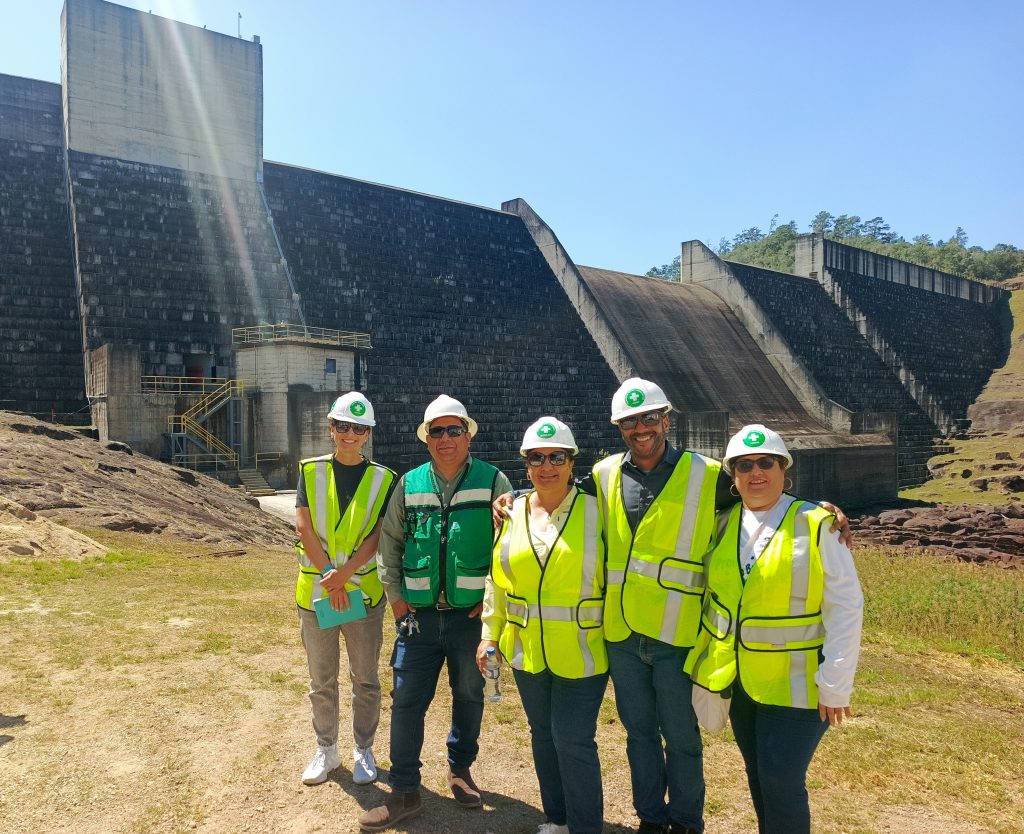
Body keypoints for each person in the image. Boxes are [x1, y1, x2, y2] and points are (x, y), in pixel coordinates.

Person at [685, 424, 863, 834]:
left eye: (766, 462)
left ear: (785, 469)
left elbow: (846, 606)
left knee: (782, 780)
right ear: (732, 475)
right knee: (759, 776)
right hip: (741, 681)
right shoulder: (722, 523)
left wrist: (836, 683)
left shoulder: (817, 524)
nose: (756, 472)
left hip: (799, 685)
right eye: (744, 465)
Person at [358, 395, 513, 832]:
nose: (445, 439)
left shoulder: (494, 482)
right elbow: (390, 543)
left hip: (469, 617)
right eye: (436, 431)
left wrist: (492, 603)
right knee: (407, 701)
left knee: (469, 694)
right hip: (418, 616)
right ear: (427, 439)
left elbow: (509, 548)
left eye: (453, 430)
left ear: (467, 435)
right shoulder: (409, 484)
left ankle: (460, 770)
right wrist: (396, 599)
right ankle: (404, 790)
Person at [593, 378, 723, 834]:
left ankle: (686, 821)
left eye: (649, 418)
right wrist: (514, 499)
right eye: (629, 421)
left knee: (682, 739)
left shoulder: (709, 474)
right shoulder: (604, 474)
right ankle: (650, 817)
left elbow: (762, 498)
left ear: (666, 419)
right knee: (639, 736)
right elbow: (558, 499)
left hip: (678, 634)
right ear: (620, 428)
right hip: (623, 635)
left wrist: (818, 509)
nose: (640, 428)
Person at [478, 417, 608, 834]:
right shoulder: (511, 512)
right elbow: (497, 579)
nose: (547, 466)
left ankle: (585, 826)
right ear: (526, 465)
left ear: (572, 462)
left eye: (557, 457)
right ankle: (556, 818)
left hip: (583, 650)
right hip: (527, 650)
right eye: (537, 458)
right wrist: (488, 635)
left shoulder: (599, 511)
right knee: (542, 736)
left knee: (572, 739)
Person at [294, 392, 397, 787]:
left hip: (362, 597)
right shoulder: (309, 471)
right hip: (319, 594)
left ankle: (363, 750)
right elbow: (303, 526)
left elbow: (378, 535)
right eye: (343, 426)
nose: (350, 434)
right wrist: (330, 575)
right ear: (331, 428)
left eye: (359, 428)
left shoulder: (384, 479)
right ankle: (327, 748)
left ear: (367, 434)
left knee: (365, 678)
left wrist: (345, 573)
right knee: (321, 680)